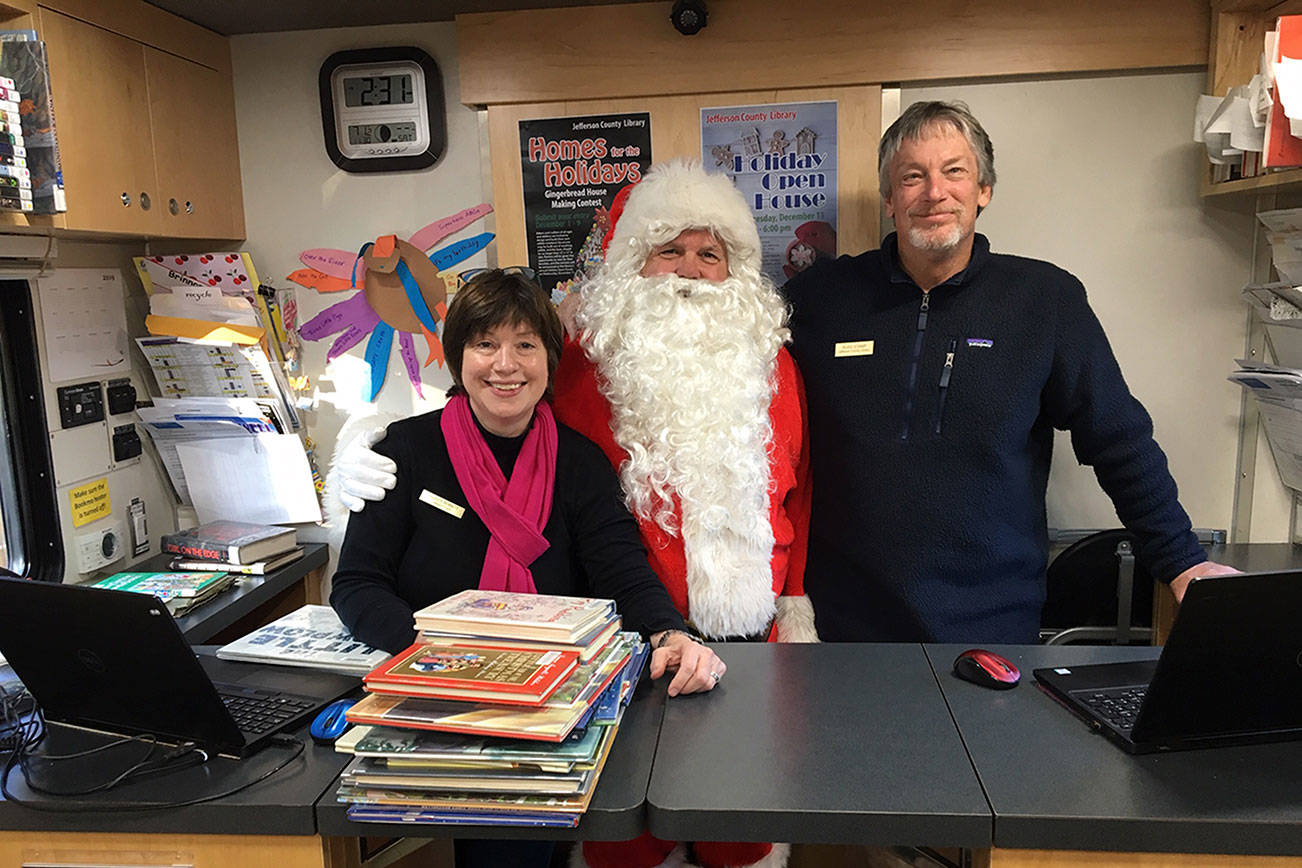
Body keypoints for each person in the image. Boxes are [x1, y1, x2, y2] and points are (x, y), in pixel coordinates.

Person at [333, 161, 811, 868]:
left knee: (736, 831)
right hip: (595, 658)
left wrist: (786, 606)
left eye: (709, 253)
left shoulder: (770, 364)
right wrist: (361, 437)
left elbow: (796, 492)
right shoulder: (587, 363)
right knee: (620, 842)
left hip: (726, 643)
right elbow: (371, 568)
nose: (688, 269)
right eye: (668, 249)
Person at [782, 100, 1235, 646]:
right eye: (912, 177)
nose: (934, 192)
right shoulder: (820, 299)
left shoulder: (1045, 301)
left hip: (993, 626)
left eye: (954, 171)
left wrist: (1182, 561)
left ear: (984, 191)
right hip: (838, 629)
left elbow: (1119, 441)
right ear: (888, 199)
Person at [330, 269, 725, 868]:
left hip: (545, 701)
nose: (505, 365)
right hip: (431, 689)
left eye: (525, 344)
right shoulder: (404, 452)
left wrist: (671, 632)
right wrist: (434, 657)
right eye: (485, 344)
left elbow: (622, 573)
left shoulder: (581, 463)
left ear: (549, 357)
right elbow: (358, 583)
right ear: (459, 355)